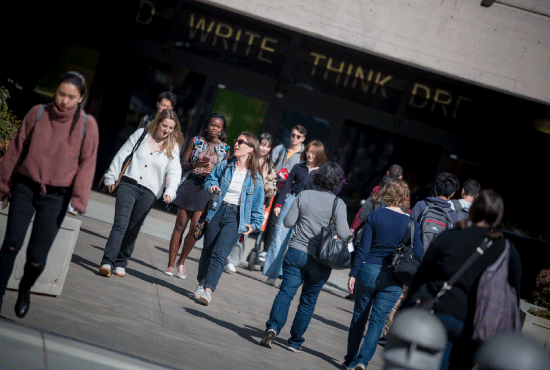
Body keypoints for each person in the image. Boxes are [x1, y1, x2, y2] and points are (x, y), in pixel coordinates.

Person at [0, 71, 99, 317]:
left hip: (57, 196)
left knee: (37, 256)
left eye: (71, 96)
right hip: (25, 186)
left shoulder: (88, 125)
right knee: (11, 244)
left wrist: (78, 200)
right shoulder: (38, 113)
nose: (64, 101)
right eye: (61, 94)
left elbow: (87, 164)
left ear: (81, 98)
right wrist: (3, 184)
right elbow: (16, 149)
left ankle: (25, 288)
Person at [404, 189, 522, 370]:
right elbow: (514, 292)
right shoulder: (505, 248)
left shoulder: (450, 236)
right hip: (475, 323)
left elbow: (422, 274)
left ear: (473, 210)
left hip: (438, 312)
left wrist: (406, 305)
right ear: (497, 216)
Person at [259, 162, 348, 352]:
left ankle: (273, 328)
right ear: (337, 182)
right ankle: (295, 341)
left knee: (285, 292)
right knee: (308, 300)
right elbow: (344, 232)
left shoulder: (304, 195)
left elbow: (288, 221)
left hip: (296, 252)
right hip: (322, 260)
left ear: (319, 177)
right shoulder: (338, 204)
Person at [343, 178, 424, 370]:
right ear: (405, 197)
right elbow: (420, 253)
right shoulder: (411, 223)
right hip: (394, 277)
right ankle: (363, 361)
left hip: (369, 269)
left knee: (359, 317)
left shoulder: (375, 215)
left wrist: (353, 273)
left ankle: (350, 359)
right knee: (377, 321)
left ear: (387, 194)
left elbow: (363, 248)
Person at [99, 109, 183, 278]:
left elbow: (175, 172)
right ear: (158, 123)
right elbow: (121, 155)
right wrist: (111, 176)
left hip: (149, 192)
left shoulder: (173, 148)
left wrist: (170, 192)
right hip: (128, 184)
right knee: (120, 225)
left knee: (133, 228)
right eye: (164, 125)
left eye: (170, 128)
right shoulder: (141, 135)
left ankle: (121, 262)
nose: (166, 130)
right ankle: (107, 262)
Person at [194, 132, 264, 306]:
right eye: (236, 140)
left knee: (220, 253)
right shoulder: (224, 165)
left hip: (236, 217)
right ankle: (201, 283)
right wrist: (211, 187)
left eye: (241, 142)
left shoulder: (256, 179)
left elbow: (257, 207)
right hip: (217, 210)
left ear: (251, 149)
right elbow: (209, 181)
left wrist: (254, 226)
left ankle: (208, 290)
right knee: (208, 251)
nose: (237, 144)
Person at [164, 113, 229, 279]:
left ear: (222, 130)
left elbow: (224, 177)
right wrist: (195, 165)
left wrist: (212, 173)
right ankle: (171, 264)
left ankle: (182, 261)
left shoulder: (225, 150)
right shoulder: (196, 141)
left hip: (206, 191)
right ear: (207, 125)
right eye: (212, 125)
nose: (214, 128)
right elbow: (182, 164)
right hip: (190, 185)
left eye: (218, 126)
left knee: (195, 229)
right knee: (180, 224)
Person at [262, 140, 327, 286]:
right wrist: (279, 204)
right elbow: (286, 186)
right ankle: (272, 274)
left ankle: (285, 275)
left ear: (319, 155)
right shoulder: (299, 167)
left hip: (308, 207)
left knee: (295, 241)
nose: (310, 154)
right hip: (291, 201)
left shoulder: (321, 173)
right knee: (279, 236)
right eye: (308, 151)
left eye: (313, 152)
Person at [225, 132, 277, 273]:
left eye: (267, 147)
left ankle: (233, 261)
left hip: (254, 203)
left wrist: (262, 186)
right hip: (237, 198)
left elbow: (272, 190)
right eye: (262, 145)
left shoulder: (269, 166)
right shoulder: (246, 158)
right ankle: (224, 256)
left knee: (243, 233)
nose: (264, 149)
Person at [260, 125, 307, 260]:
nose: (294, 139)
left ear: (303, 138)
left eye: (298, 136)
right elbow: (268, 165)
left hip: (287, 193)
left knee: (276, 221)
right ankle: (262, 247)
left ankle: (267, 250)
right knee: (265, 218)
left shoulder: (303, 156)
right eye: (292, 135)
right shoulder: (280, 149)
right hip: (271, 189)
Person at [410, 172, 460, 250]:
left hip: (414, 256)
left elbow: (409, 230)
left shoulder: (421, 205)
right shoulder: (454, 216)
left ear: (435, 188)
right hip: (434, 260)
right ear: (452, 194)